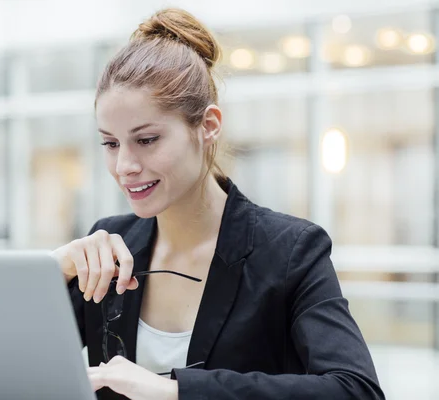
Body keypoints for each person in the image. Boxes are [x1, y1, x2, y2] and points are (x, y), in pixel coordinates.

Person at [52, 8, 385, 400]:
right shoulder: (108, 246)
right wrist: (53, 271)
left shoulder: (291, 251)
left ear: (208, 126)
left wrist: (175, 391)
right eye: (110, 143)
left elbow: (355, 391)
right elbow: (5, 367)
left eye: (146, 140)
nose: (125, 166)